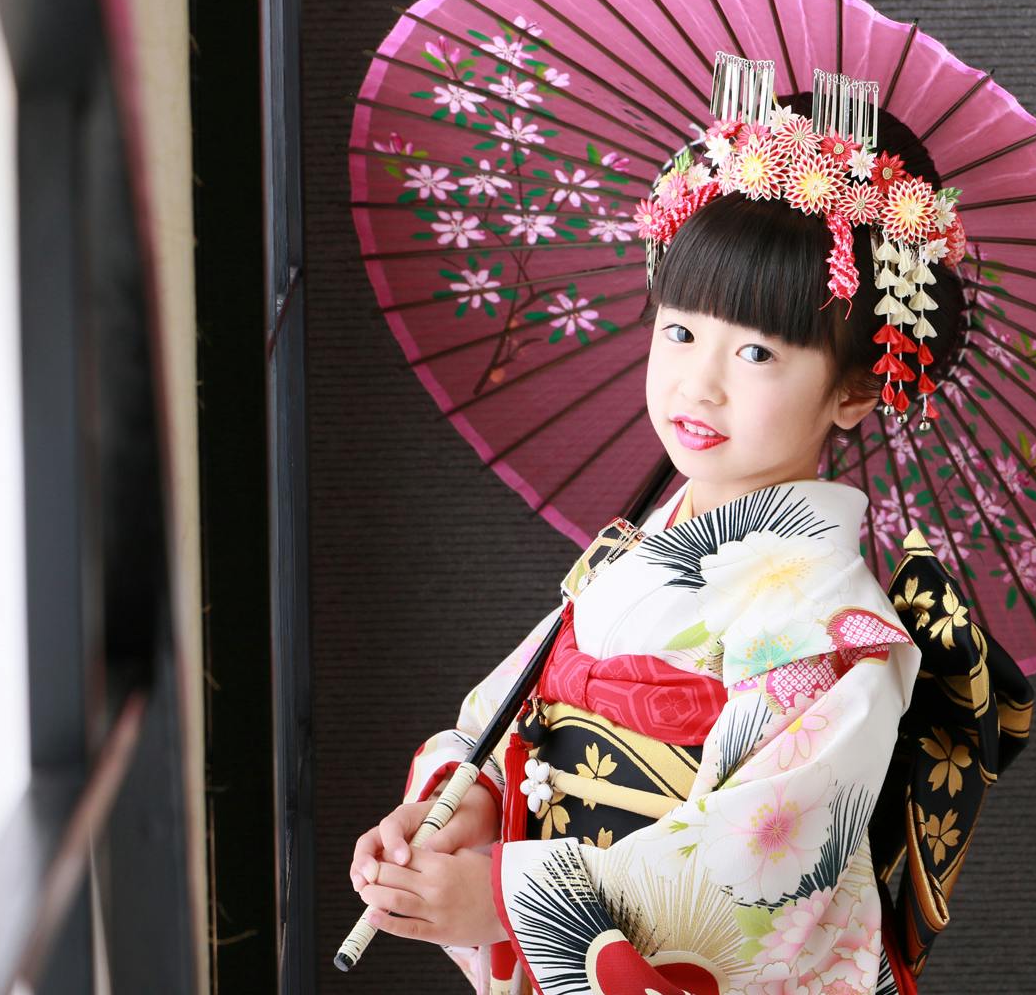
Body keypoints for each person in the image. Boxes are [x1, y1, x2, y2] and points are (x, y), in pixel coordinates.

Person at [346, 92, 970, 995]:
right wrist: (463, 806)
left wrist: (510, 900)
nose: (697, 386)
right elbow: (505, 719)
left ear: (855, 391)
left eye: (757, 353)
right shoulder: (633, 553)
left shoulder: (828, 629)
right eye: (679, 331)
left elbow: (754, 879)